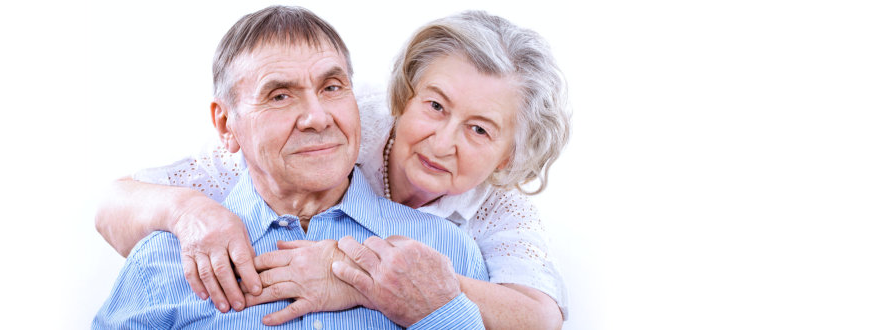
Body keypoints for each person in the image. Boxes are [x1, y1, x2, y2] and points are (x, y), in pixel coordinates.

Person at [95, 9, 572, 329]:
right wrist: (188, 213)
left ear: (507, 158)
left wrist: (363, 273)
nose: (318, 117)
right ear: (401, 101)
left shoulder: (451, 254)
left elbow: (540, 318)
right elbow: (115, 204)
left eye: (480, 130)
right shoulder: (170, 255)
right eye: (280, 95)